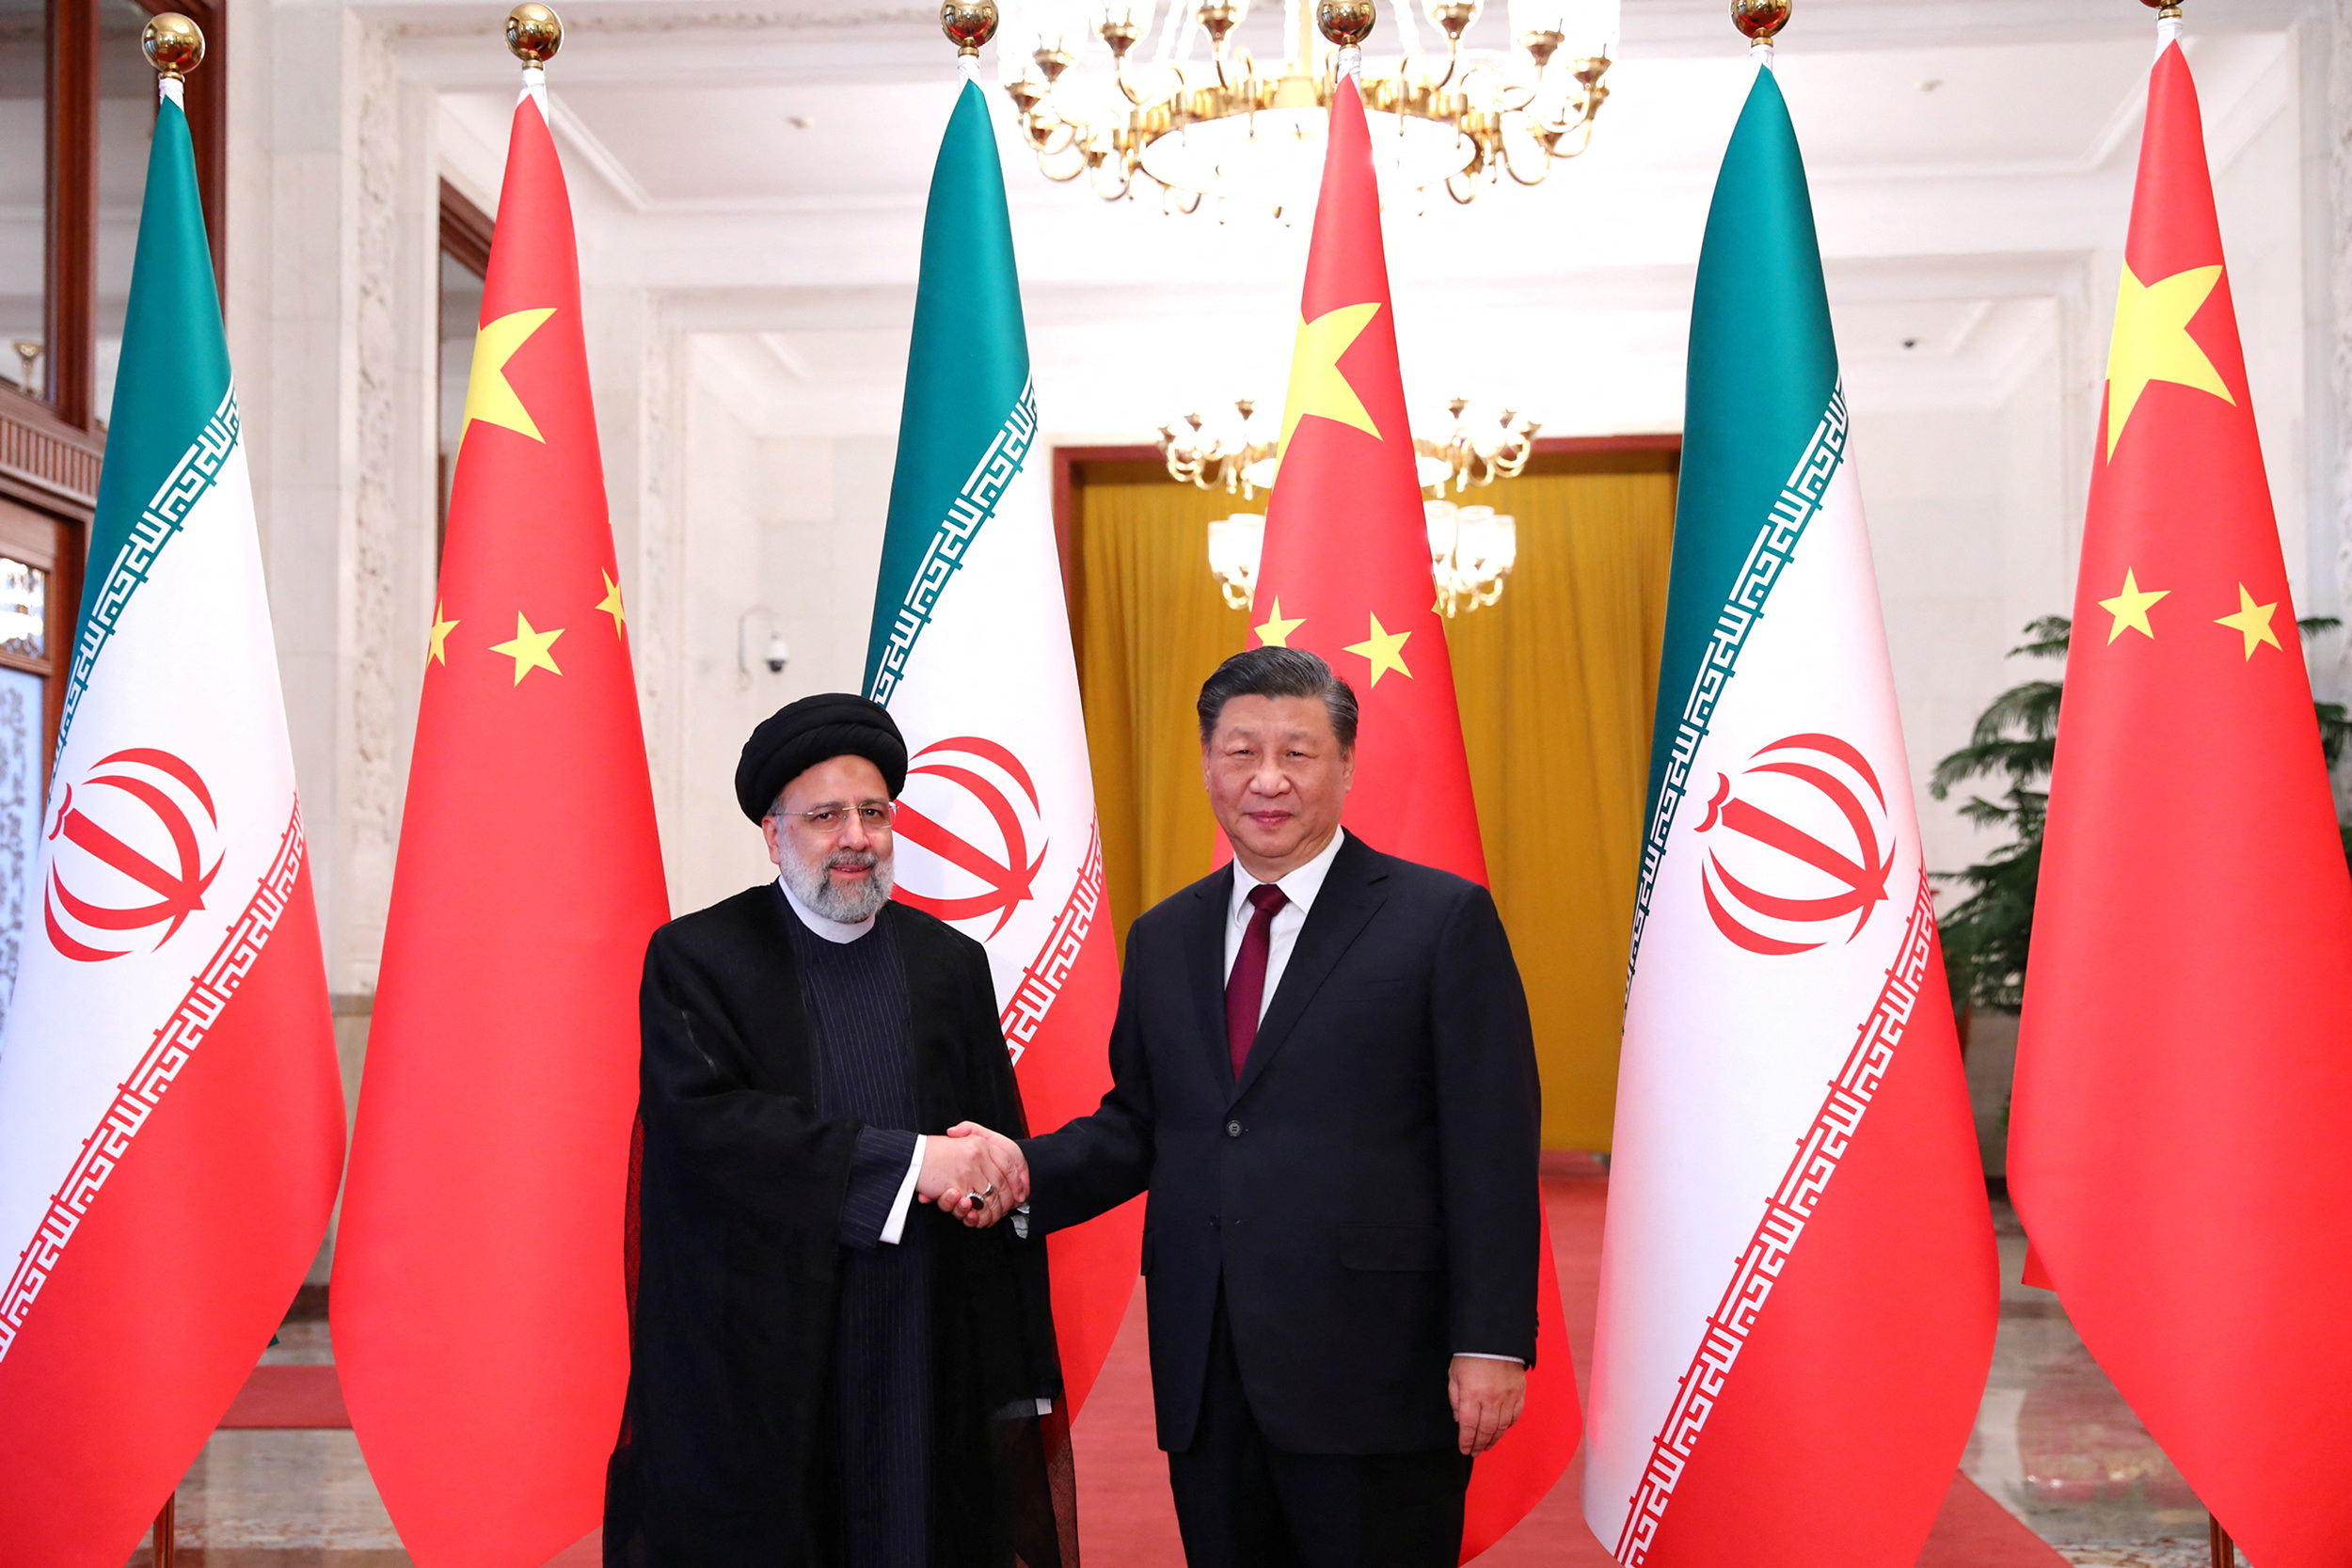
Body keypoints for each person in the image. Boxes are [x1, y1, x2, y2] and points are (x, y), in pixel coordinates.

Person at [959, 647, 1541, 1567]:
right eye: (1241, 752)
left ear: (1346, 764)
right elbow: (1142, 1123)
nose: (1267, 779)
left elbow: (1492, 1148)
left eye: (1297, 752)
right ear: (1206, 763)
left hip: (1376, 1371)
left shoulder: (1439, 921)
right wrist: (1017, 1170)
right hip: (1209, 1370)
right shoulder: (1165, 935)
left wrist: (1492, 1341)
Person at [602, 692, 1071, 1568]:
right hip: (765, 1355)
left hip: (922, 1342)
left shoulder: (950, 965)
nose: (856, 837)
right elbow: (714, 1133)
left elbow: (990, 1142)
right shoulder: (699, 959)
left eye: (874, 813)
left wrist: (985, 1180)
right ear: (772, 834)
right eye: (825, 816)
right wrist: (914, 1164)